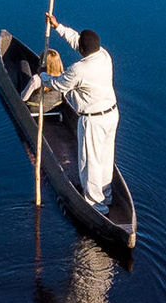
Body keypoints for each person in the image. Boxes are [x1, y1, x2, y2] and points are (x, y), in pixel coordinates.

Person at [39, 12, 118, 210]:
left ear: (83, 50)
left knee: (89, 160)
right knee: (106, 157)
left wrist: (42, 76)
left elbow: (58, 84)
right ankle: (105, 196)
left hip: (93, 120)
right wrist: (58, 27)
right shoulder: (103, 55)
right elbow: (78, 41)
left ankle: (95, 204)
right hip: (111, 114)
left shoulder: (79, 69)